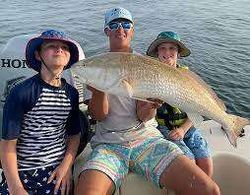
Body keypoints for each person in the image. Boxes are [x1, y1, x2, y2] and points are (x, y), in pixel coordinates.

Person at [75, 7, 220, 195]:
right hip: (108, 144)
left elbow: (143, 117)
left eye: (126, 24)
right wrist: (99, 91)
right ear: (106, 31)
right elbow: (98, 116)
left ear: (132, 30)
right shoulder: (95, 66)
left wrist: (150, 106)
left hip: (147, 140)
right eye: (114, 24)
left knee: (209, 190)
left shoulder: (147, 64)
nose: (121, 29)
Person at [0, 29, 82, 195]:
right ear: (38, 55)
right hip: (22, 171)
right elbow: (7, 145)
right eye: (52, 46)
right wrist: (16, 187)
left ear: (68, 58)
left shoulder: (72, 94)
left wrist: (66, 167)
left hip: (55, 171)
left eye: (64, 48)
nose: (59, 49)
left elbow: (74, 135)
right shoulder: (21, 93)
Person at [146, 31, 213, 177]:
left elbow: (199, 108)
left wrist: (183, 129)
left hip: (189, 126)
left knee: (206, 162)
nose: (167, 52)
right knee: (189, 162)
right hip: (164, 129)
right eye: (162, 48)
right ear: (157, 52)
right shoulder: (150, 75)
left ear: (179, 53)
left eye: (172, 48)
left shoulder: (188, 77)